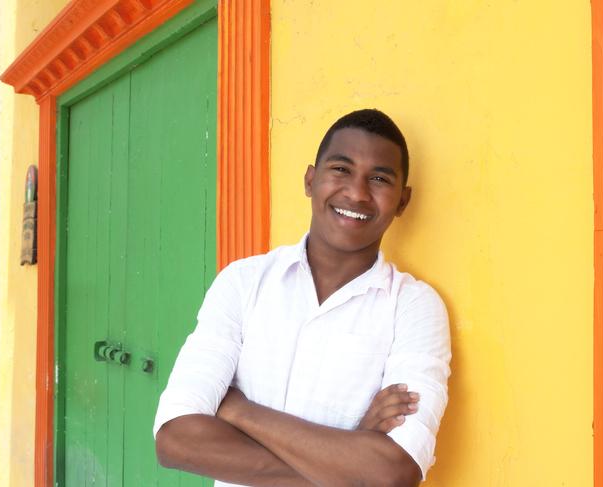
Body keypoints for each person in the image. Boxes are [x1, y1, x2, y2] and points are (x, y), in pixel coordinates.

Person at [154, 109, 451, 487]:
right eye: (341, 169)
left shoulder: (414, 307)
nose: (357, 193)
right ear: (311, 180)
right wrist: (350, 461)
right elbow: (176, 440)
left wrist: (239, 410)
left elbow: (393, 473)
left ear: (403, 201)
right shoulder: (243, 282)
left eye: (379, 179)